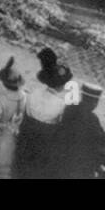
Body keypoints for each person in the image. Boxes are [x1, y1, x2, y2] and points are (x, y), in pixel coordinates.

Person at [16, 47, 70, 179]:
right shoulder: (61, 105)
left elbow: (25, 113)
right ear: (62, 85)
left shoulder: (34, 93)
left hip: (25, 141)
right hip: (43, 148)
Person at [56, 81, 105, 179]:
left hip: (62, 155)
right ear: (95, 102)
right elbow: (104, 140)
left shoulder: (69, 108)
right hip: (79, 164)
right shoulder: (92, 118)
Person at [0, 57, 26, 179]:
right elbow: (22, 112)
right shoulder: (23, 96)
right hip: (12, 133)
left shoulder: (2, 99)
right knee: (7, 161)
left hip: (0, 133)